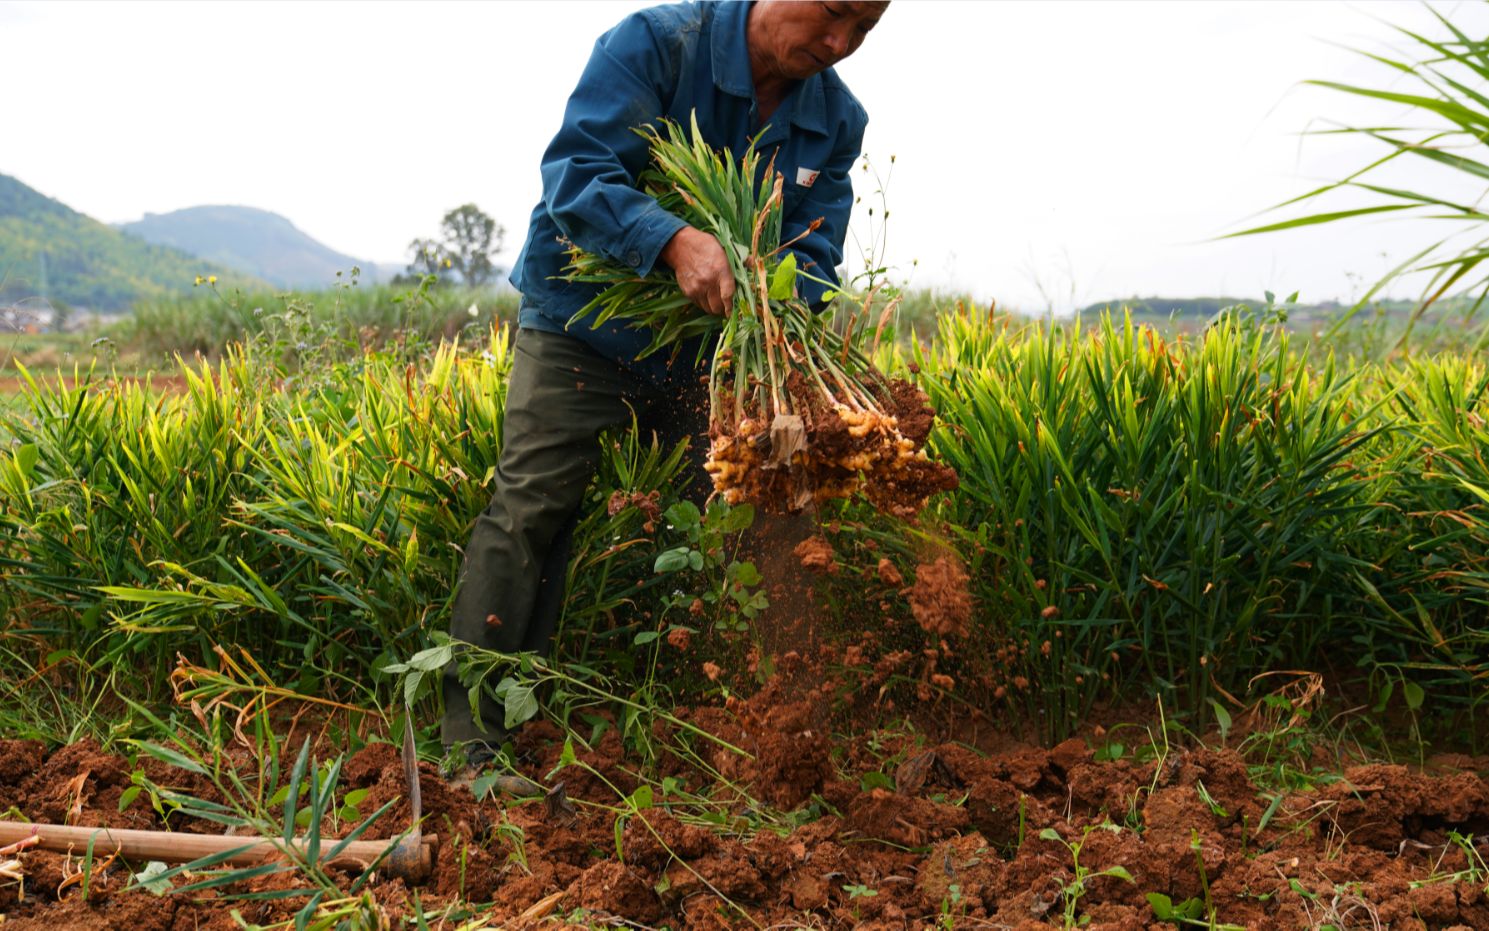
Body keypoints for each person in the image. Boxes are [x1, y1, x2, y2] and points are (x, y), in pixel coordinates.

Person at [441, 0, 888, 771]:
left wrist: (783, 305)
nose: (839, 42)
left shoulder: (836, 119)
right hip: (583, 325)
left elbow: (816, 255)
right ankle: (471, 746)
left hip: (708, 354)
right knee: (532, 510)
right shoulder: (658, 45)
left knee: (743, 516)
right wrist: (672, 241)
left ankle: (727, 738)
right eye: (833, 12)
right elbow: (574, 176)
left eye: (865, 29)